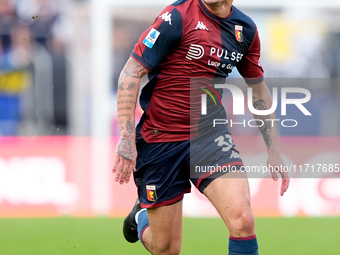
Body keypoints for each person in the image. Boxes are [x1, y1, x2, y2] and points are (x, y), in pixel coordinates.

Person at [112, 0, 290, 254]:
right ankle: (142, 217)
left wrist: (273, 150)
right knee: (166, 249)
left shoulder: (245, 30)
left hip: (209, 137)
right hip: (160, 139)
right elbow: (130, 72)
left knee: (243, 220)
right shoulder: (176, 18)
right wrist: (127, 138)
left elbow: (258, 89)